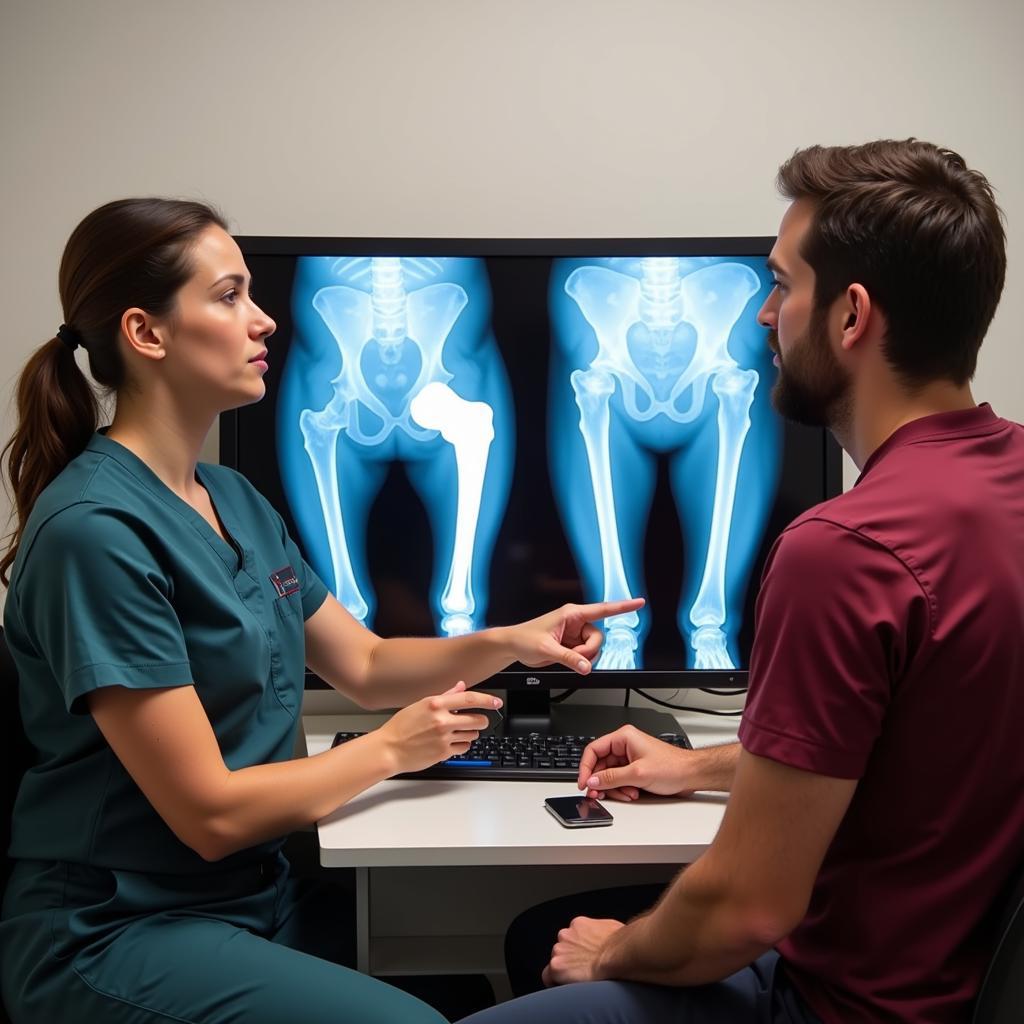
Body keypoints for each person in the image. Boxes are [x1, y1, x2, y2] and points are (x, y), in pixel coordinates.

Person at [0, 196, 643, 1024]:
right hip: (116, 927)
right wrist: (387, 753)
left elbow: (366, 666)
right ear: (147, 333)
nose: (264, 321)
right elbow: (208, 813)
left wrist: (514, 641)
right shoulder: (99, 533)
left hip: (245, 898)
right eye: (229, 296)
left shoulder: (226, 496)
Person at [458, 139, 1024, 1024]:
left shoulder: (845, 548)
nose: (764, 317)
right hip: (962, 979)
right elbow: (918, 753)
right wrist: (704, 767)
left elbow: (745, 911)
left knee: (542, 967)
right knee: (541, 933)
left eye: (782, 285)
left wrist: (613, 949)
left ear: (851, 317)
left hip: (841, 1004)